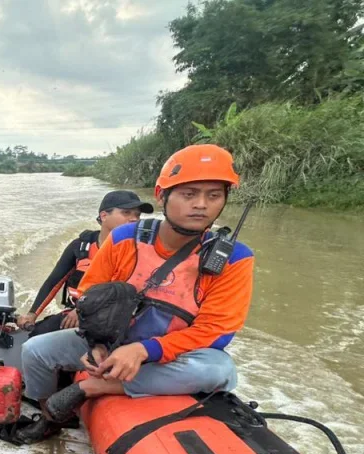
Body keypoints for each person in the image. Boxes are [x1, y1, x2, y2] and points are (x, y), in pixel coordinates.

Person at [20, 144, 253, 426]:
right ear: (162, 195)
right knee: (34, 350)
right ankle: (49, 414)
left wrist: (145, 350)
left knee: (219, 370)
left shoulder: (236, 259)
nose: (201, 204)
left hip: (172, 353)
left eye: (213, 195)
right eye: (189, 194)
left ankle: (98, 387)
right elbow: (89, 294)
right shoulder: (123, 238)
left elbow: (216, 333)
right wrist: (96, 343)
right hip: (114, 340)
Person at [20, 190, 151, 337]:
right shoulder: (81, 247)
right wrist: (32, 314)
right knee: (37, 335)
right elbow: (53, 283)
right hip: (76, 313)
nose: (134, 219)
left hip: (118, 319)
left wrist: (83, 310)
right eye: (126, 213)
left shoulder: (143, 250)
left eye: (137, 215)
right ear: (104, 216)